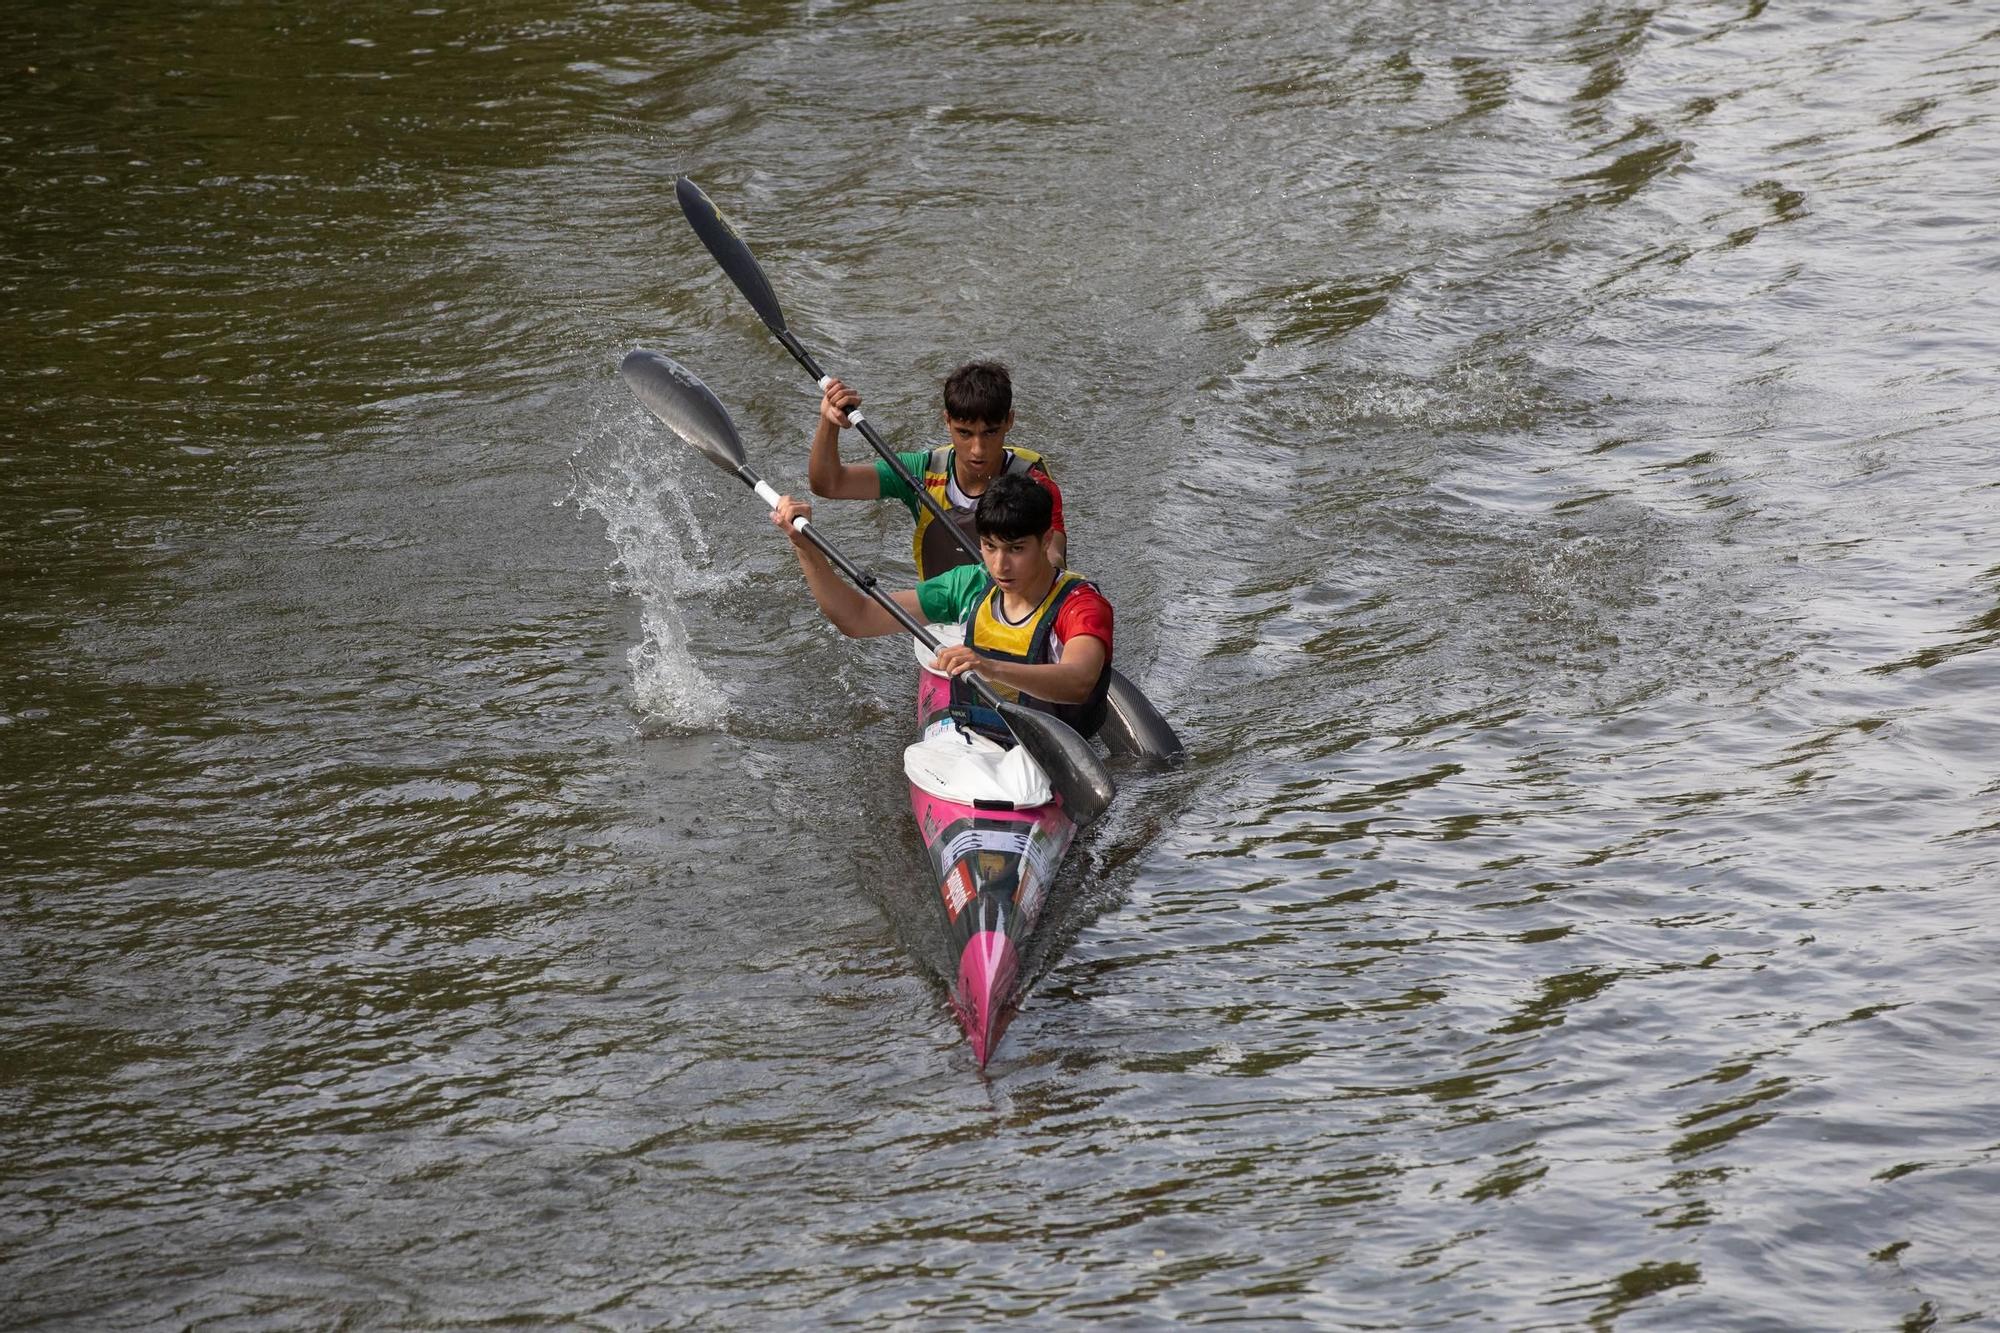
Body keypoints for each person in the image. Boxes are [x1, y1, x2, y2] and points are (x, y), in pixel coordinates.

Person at [772, 472, 1110, 738]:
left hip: (1055, 746)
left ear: (1046, 540)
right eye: (989, 547)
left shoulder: (1080, 605)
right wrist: (804, 547)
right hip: (982, 741)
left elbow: (1078, 681)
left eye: (1016, 549)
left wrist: (988, 667)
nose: (1000, 565)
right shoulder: (970, 584)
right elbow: (857, 618)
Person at [807, 360, 1068, 579]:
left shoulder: (1035, 485)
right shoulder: (918, 473)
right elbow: (829, 484)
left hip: (1013, 615)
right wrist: (828, 423)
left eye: (990, 432)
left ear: (1009, 421)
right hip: (940, 619)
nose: (977, 449)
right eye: (964, 433)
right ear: (947, 421)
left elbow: (1054, 557)